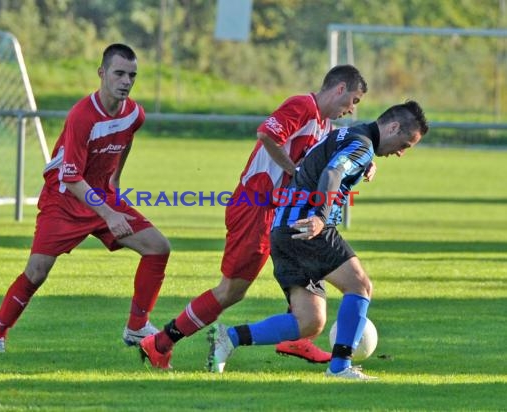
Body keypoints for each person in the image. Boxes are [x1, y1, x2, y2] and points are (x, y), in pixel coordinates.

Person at [140, 65, 369, 369]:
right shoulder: (303, 105)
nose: (351, 109)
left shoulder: (325, 127)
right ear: (340, 89)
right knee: (231, 290)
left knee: (305, 268)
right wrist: (294, 171)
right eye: (353, 100)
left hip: (279, 212)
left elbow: (338, 156)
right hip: (255, 206)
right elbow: (267, 134)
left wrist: (364, 164)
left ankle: (299, 338)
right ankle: (160, 343)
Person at [206, 100, 429, 379]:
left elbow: (327, 158)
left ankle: (229, 338)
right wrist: (322, 216)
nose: (400, 152)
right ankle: (340, 368)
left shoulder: (350, 134)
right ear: (393, 126)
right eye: (405, 144)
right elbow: (333, 172)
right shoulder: (361, 145)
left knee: (309, 321)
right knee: (360, 285)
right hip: (308, 227)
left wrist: (365, 163)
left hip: (284, 229)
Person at [0, 44, 170, 353]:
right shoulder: (82, 116)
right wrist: (110, 215)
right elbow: (70, 178)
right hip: (64, 200)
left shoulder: (135, 114)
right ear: (102, 73)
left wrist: (115, 180)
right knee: (37, 272)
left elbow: (125, 142)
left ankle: (136, 327)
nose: (126, 81)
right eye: (119, 73)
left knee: (158, 248)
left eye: (132, 75)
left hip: (101, 194)